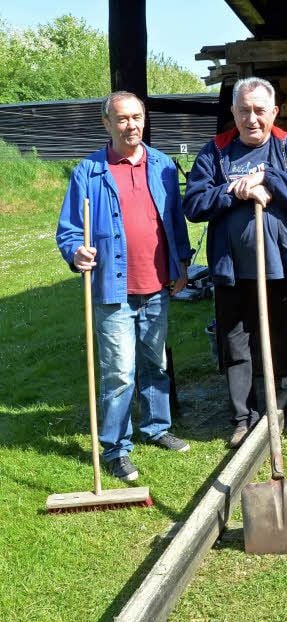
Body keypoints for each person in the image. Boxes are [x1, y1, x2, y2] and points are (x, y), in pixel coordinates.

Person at [56, 91, 193, 482]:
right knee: (118, 373)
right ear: (107, 124)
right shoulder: (89, 171)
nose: (131, 125)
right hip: (113, 288)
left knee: (155, 362)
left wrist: (180, 261)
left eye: (136, 117)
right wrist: (75, 252)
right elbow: (68, 230)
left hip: (157, 284)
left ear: (144, 118)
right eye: (122, 119)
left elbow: (174, 222)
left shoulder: (164, 165)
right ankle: (116, 448)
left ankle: (157, 427)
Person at [183, 77, 287, 449]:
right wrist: (233, 189)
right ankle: (243, 418)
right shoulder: (216, 151)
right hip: (232, 270)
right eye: (244, 110)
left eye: (260, 110)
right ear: (233, 112)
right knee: (237, 345)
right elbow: (194, 204)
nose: (252, 118)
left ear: (274, 112)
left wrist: (269, 178)